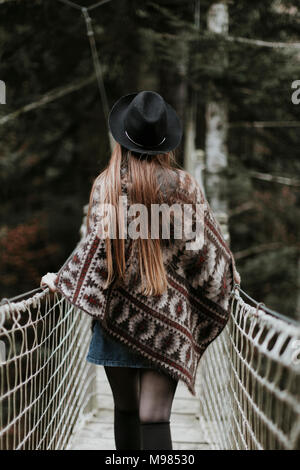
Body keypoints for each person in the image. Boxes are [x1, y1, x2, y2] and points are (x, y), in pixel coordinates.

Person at [41, 90, 241, 451]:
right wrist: (227, 281)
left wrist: (62, 279)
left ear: (123, 137)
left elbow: (94, 253)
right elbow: (206, 257)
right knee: (155, 416)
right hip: (171, 321)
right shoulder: (185, 187)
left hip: (116, 318)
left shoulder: (107, 185)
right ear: (165, 142)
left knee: (126, 410)